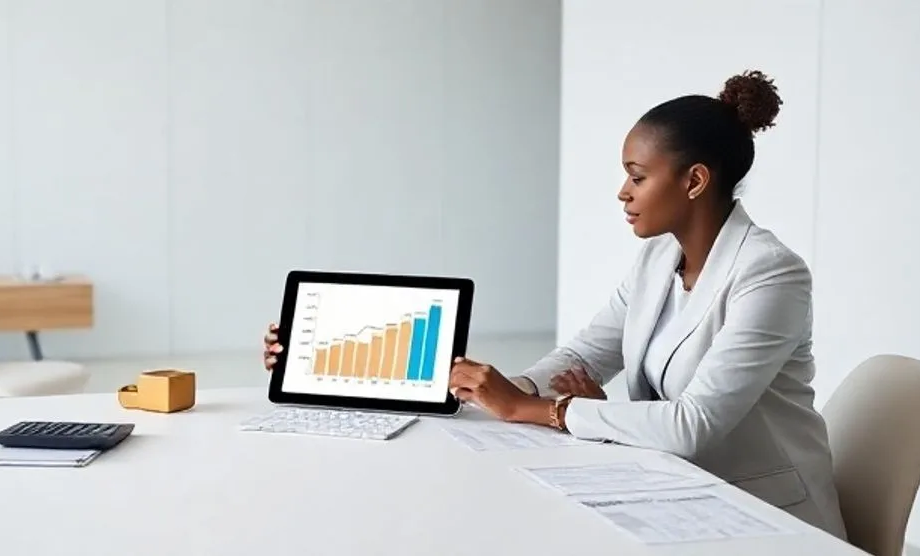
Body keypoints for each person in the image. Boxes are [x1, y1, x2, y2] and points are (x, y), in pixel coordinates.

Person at [262, 70, 846, 541]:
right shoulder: (656, 259)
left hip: (766, 519)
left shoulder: (770, 274)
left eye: (637, 177)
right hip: (674, 494)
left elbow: (694, 425)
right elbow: (586, 356)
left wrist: (542, 410)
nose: (622, 192)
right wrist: (488, 388)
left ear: (694, 181)